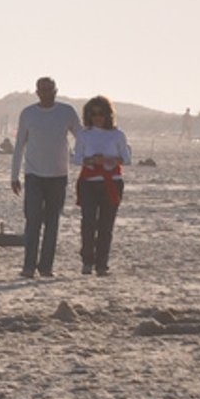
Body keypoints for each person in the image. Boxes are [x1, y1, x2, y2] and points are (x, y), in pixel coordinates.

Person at [11, 76, 82, 278]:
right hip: (33, 174)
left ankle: (46, 267)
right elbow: (19, 146)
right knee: (32, 220)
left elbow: (81, 136)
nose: (46, 93)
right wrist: (14, 176)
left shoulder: (66, 112)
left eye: (49, 90)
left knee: (52, 222)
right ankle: (28, 266)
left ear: (55, 91)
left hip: (58, 175)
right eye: (42, 90)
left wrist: (83, 159)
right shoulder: (28, 113)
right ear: (37, 92)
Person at [73, 95, 131, 276]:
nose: (97, 117)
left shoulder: (117, 135)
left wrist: (110, 160)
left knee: (106, 226)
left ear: (108, 115)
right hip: (88, 183)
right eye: (93, 113)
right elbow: (76, 159)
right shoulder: (84, 134)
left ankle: (102, 264)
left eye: (101, 113)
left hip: (111, 183)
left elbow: (127, 159)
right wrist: (90, 160)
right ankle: (87, 260)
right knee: (88, 223)